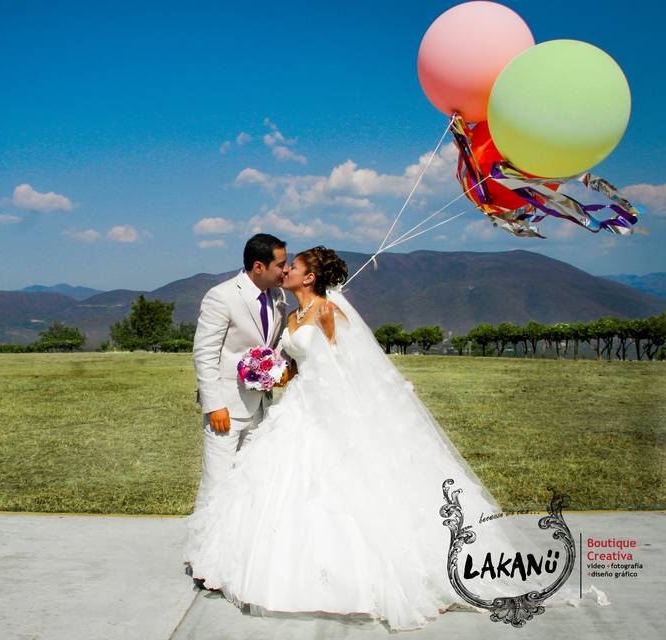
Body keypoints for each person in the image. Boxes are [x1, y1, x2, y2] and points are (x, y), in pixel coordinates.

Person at [183, 246, 607, 631]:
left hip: (325, 410)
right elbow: (294, 362)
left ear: (310, 277)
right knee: (273, 486)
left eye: (293, 266)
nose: (287, 270)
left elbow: (350, 366)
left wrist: (342, 412)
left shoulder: (329, 313)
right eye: (285, 264)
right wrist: (276, 371)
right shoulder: (289, 315)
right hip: (294, 408)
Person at [191, 233, 289, 517]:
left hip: (261, 409)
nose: (285, 269)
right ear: (258, 266)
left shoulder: (279, 298)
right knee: (216, 486)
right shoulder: (221, 296)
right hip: (226, 410)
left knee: (249, 484)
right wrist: (214, 405)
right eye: (280, 264)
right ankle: (201, 557)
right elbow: (205, 353)